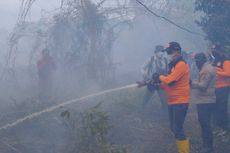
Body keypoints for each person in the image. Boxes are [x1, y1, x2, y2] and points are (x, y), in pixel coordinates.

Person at [152, 42, 190, 153]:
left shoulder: (181, 65)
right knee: (174, 128)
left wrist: (159, 76)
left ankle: (184, 151)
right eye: (167, 52)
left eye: (169, 52)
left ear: (177, 51)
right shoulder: (173, 65)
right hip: (173, 101)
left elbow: (170, 80)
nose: (167, 54)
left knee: (178, 129)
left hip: (180, 101)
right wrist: (157, 85)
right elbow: (167, 84)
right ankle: (182, 147)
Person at [191, 53, 216, 153]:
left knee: (205, 123)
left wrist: (191, 84)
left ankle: (208, 147)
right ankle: (207, 145)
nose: (196, 63)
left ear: (201, 60)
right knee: (205, 123)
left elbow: (203, 85)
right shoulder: (205, 68)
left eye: (197, 61)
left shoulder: (206, 70)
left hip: (205, 100)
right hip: (205, 100)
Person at [141, 45, 168, 110]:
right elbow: (142, 68)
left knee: (164, 99)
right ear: (156, 52)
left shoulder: (165, 60)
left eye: (162, 51)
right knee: (146, 98)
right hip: (151, 82)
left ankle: (164, 114)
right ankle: (141, 111)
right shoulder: (151, 59)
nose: (161, 53)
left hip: (161, 83)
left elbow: (168, 70)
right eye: (159, 52)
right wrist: (146, 77)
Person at [211, 44, 230, 132]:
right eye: (212, 50)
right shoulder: (214, 61)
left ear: (220, 50)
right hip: (215, 88)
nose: (214, 51)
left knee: (222, 108)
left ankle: (225, 127)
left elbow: (228, 73)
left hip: (223, 88)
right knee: (216, 108)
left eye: (215, 50)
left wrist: (217, 72)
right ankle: (218, 126)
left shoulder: (225, 61)